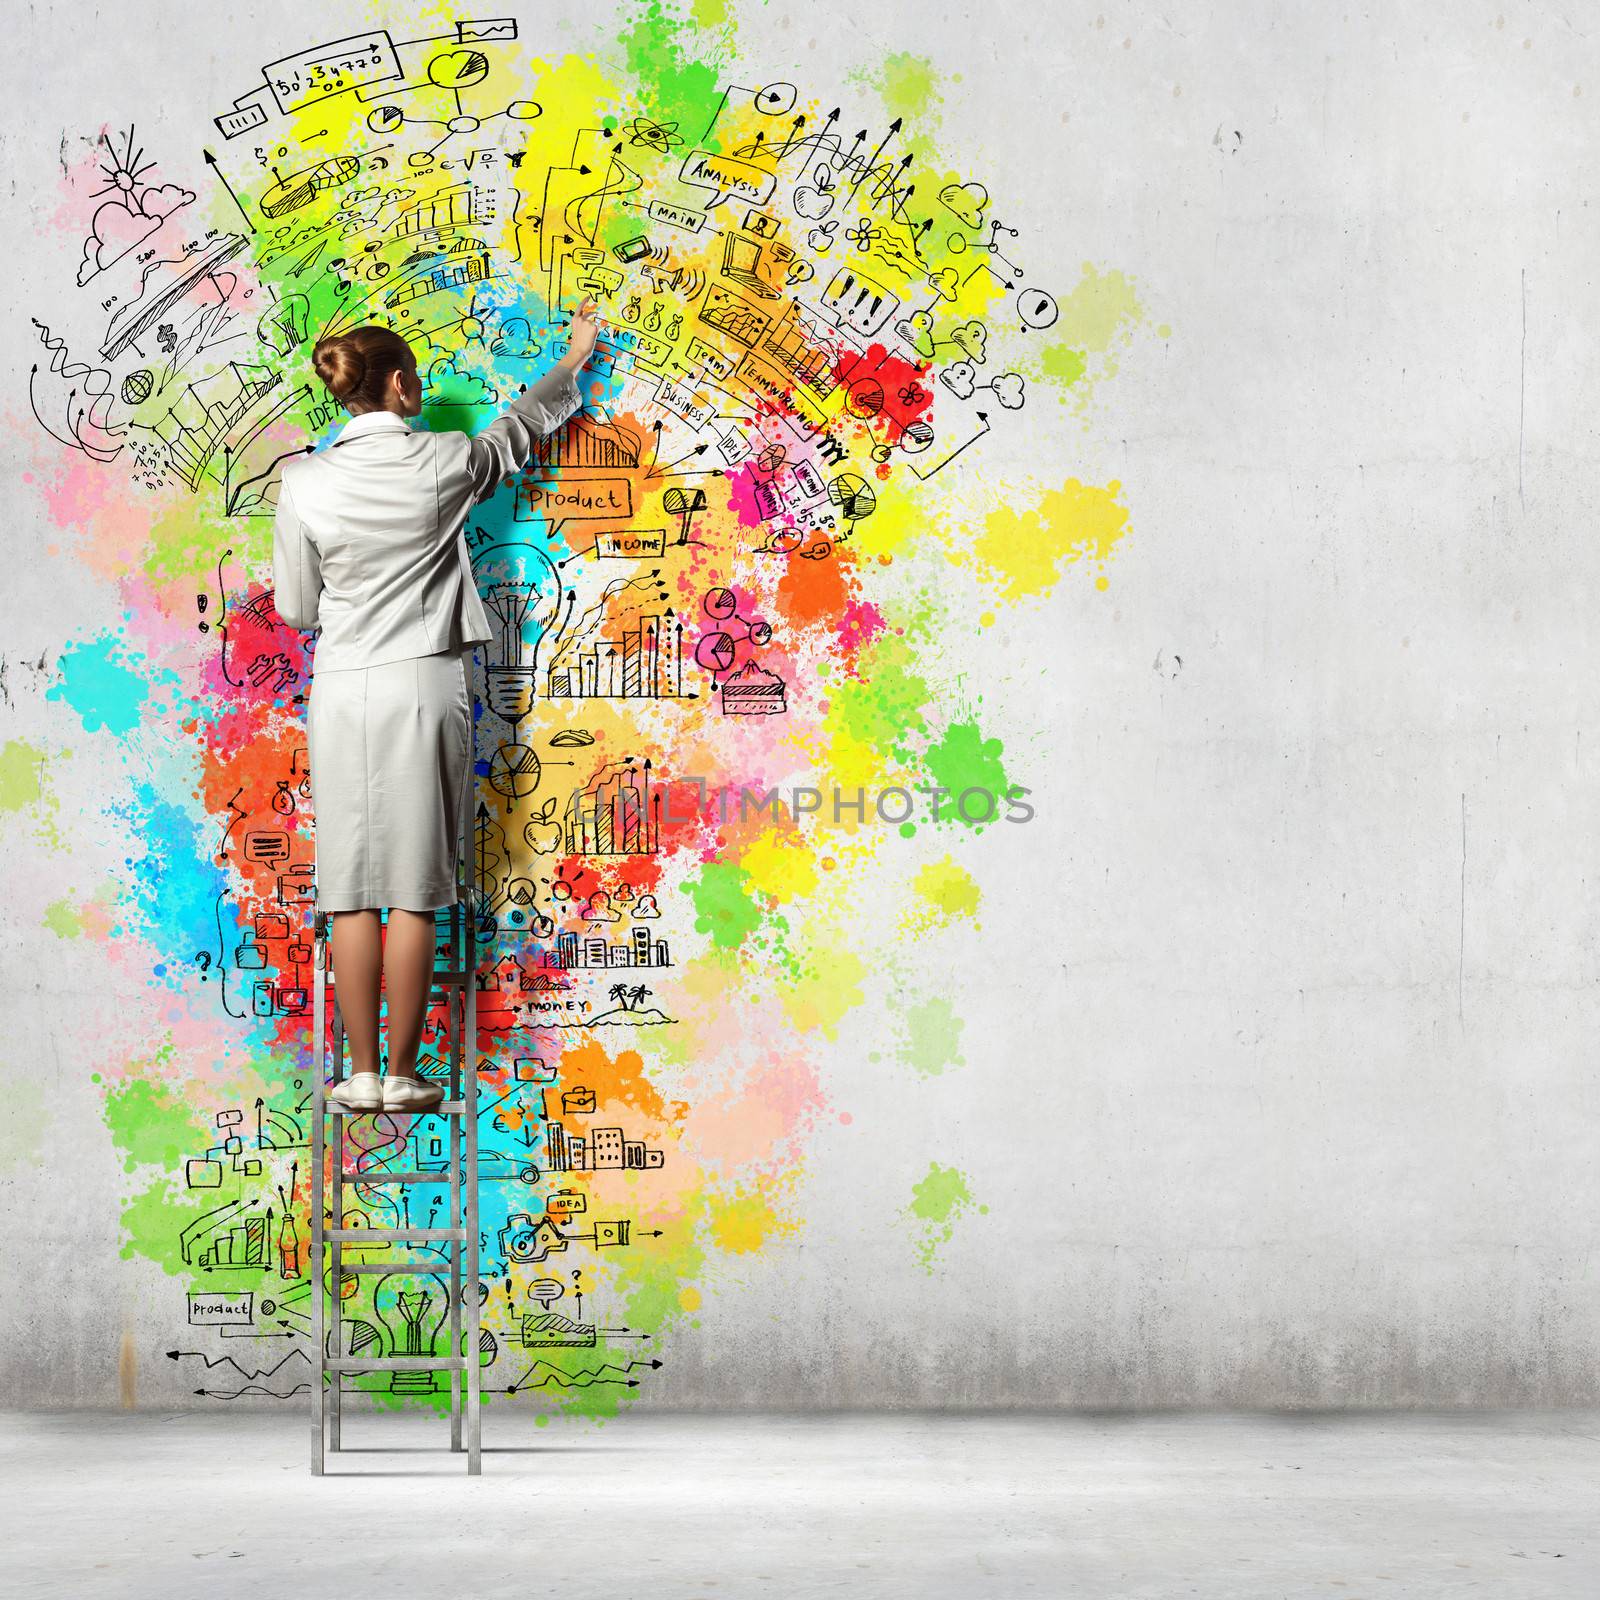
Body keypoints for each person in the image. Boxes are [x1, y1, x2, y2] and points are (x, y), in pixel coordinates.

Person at [272, 300, 600, 1112]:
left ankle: (357, 1073)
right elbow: (518, 431)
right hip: (423, 684)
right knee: (416, 884)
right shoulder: (445, 461)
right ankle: (403, 1074)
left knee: (349, 885)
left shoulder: (304, 481)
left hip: (345, 687)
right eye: (413, 373)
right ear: (397, 385)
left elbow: (297, 607)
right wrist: (573, 362)